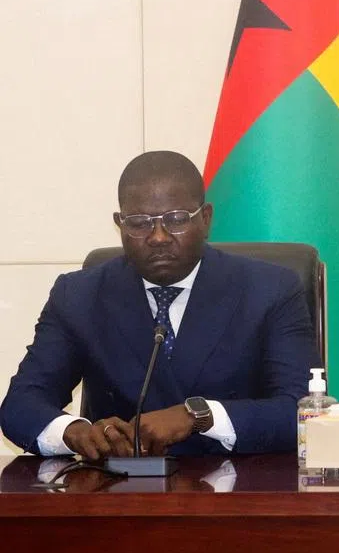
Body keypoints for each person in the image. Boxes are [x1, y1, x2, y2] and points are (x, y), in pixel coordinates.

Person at [0, 151, 316, 458]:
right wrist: (75, 432)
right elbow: (20, 404)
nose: (159, 237)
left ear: (206, 219)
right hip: (118, 485)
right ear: (120, 224)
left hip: (240, 484)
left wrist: (199, 416)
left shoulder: (269, 290)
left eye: (176, 219)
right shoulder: (79, 295)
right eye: (140, 223)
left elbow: (303, 412)